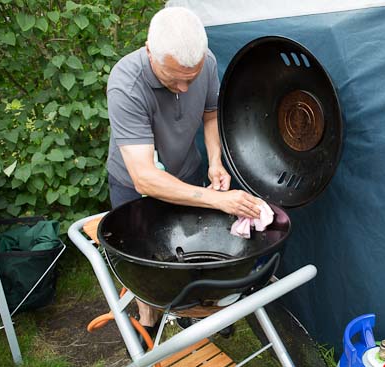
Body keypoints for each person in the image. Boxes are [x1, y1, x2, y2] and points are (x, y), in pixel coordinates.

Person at [105, 6, 262, 343]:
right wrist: (218, 200)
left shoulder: (205, 63)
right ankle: (148, 323)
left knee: (187, 249)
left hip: (187, 171)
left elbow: (209, 115)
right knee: (147, 263)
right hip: (133, 187)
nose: (181, 86)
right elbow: (145, 178)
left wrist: (215, 162)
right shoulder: (126, 83)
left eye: (190, 78)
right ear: (150, 51)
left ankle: (190, 310)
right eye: (172, 76)